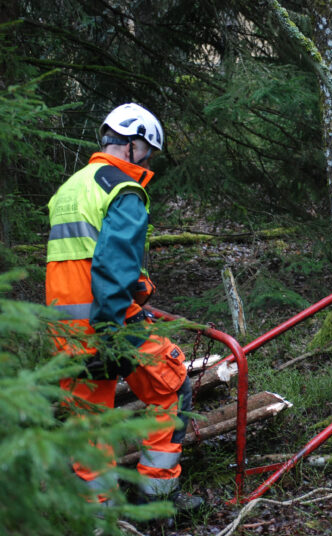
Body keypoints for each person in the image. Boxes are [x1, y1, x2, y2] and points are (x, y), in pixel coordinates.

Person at [46, 103, 202, 511]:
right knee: (172, 384)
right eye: (148, 152)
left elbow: (82, 258)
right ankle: (157, 501)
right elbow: (110, 267)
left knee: (87, 418)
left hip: (65, 330)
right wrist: (110, 335)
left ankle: (99, 516)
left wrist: (138, 285)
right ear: (132, 146)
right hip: (105, 325)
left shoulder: (71, 188)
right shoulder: (123, 188)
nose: (149, 161)